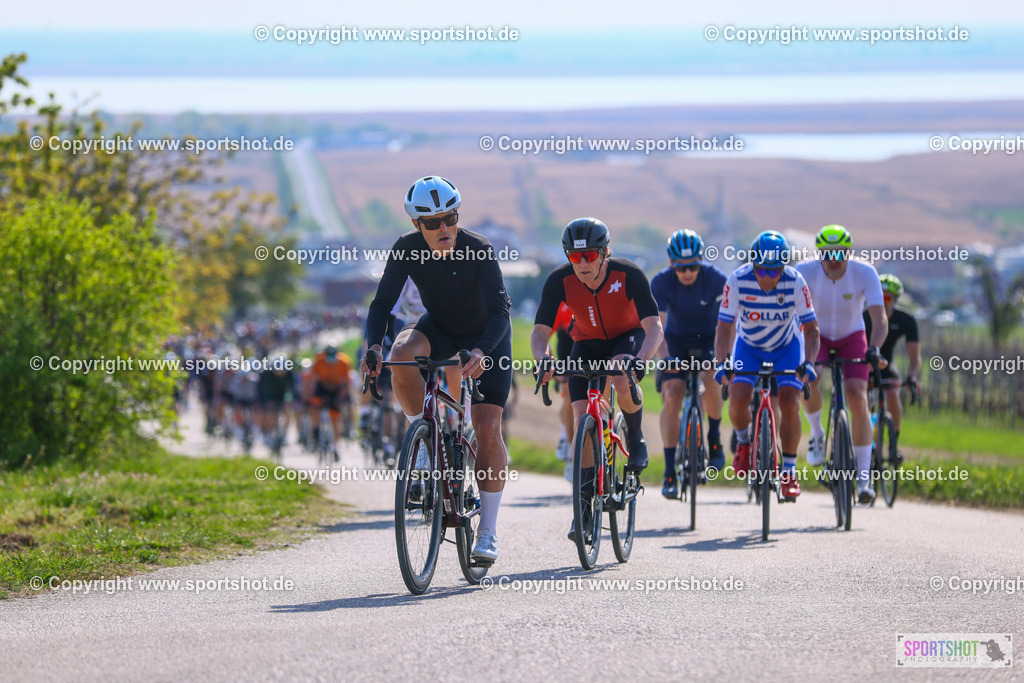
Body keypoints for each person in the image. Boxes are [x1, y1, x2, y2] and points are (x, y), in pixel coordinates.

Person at [362, 176, 512, 566]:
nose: (444, 228)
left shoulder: (478, 249)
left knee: (487, 426)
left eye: (451, 217)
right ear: (417, 225)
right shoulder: (406, 248)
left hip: (487, 337)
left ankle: (488, 531)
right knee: (400, 353)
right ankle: (424, 443)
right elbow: (381, 305)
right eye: (433, 222)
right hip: (441, 328)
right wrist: (373, 346)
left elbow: (500, 312)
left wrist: (481, 351)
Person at [531, 217, 663, 541]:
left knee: (619, 372)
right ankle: (584, 508)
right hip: (587, 342)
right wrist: (542, 359)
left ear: (605, 253)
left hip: (627, 337)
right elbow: (540, 332)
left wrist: (641, 360)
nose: (583, 264)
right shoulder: (559, 280)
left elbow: (654, 327)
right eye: (575, 257)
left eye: (590, 256)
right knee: (581, 421)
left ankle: (635, 436)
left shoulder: (628, 274)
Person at [714, 230, 820, 501]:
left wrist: (809, 364)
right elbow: (724, 328)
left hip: (787, 347)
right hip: (749, 347)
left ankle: (789, 471)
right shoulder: (737, 280)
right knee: (738, 396)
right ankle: (744, 443)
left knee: (790, 401)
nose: (768, 278)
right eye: (762, 270)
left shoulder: (795, 281)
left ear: (783, 268)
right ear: (753, 265)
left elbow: (811, 330)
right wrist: (723, 363)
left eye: (775, 272)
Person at [795, 225, 888, 504]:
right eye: (827, 254)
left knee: (858, 396)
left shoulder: (865, 272)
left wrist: (874, 348)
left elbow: (879, 318)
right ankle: (817, 433)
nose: (834, 260)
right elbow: (792, 313)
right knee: (809, 378)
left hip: (852, 336)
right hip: (817, 336)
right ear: (819, 254)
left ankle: (863, 478)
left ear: (849, 253)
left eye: (840, 254)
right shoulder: (804, 271)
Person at [651, 229, 728, 498]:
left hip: (709, 340)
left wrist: (721, 357)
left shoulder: (716, 279)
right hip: (676, 342)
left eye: (693, 266)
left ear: (701, 261)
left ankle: (714, 438)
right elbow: (656, 328)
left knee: (712, 377)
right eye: (681, 267)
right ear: (671, 263)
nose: (687, 272)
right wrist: (665, 359)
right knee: (673, 394)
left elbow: (726, 325)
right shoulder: (661, 282)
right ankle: (669, 471)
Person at [864, 273, 921, 436]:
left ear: (896, 300)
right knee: (863, 400)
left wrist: (912, 376)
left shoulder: (906, 319)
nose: (883, 302)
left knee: (893, 395)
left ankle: (893, 441)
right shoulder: (864, 317)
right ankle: (864, 440)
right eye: (879, 297)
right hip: (865, 362)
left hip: (887, 364)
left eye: (887, 298)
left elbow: (914, 355)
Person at [306, 345, 353, 458]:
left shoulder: (344, 362)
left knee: (335, 418)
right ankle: (315, 430)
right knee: (314, 406)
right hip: (322, 386)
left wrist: (340, 398)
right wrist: (307, 396)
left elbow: (346, 383)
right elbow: (311, 379)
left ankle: (335, 446)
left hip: (337, 388)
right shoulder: (319, 361)